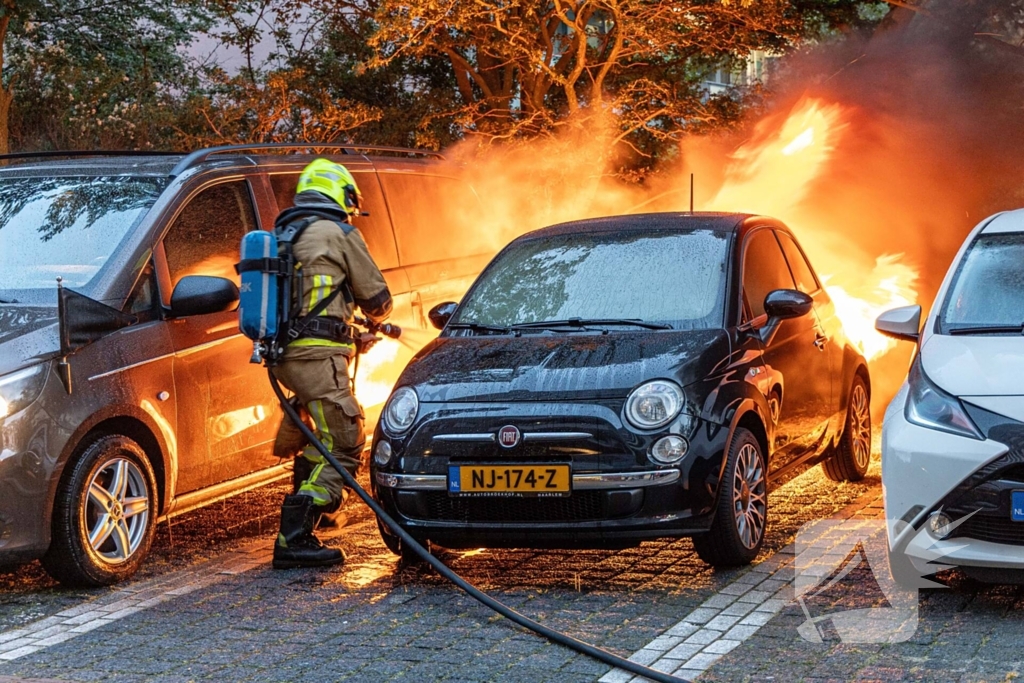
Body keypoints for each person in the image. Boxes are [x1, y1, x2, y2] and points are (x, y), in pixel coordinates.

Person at [271, 159, 393, 570]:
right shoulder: (340, 233)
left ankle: (317, 515)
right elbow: (377, 299)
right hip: (316, 358)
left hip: (286, 355)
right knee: (343, 440)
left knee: (317, 436)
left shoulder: (286, 231)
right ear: (340, 194)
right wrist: (372, 318)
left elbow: (309, 302)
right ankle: (295, 537)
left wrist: (350, 331)